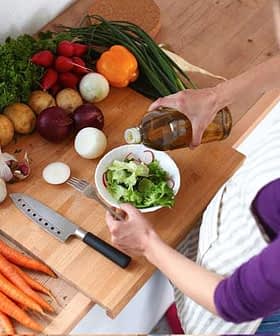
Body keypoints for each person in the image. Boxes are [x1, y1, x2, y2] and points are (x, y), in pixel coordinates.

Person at [106, 0, 280, 334]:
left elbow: (234, 300)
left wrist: (146, 243)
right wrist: (216, 96)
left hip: (260, 313)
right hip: (239, 226)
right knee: (190, 292)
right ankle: (182, 314)